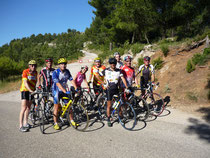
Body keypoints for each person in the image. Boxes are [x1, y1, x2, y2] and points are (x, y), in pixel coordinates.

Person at [100, 58, 129, 127]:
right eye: (112, 64)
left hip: (116, 89)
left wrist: (127, 87)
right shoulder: (106, 70)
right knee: (109, 105)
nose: (113, 65)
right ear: (110, 64)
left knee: (119, 104)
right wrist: (103, 83)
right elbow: (97, 75)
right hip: (109, 90)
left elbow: (123, 79)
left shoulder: (119, 71)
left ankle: (121, 117)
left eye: (114, 64)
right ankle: (109, 119)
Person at [52, 58, 78, 130]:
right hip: (56, 90)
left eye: (64, 64)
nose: (63, 65)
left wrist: (76, 87)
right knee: (56, 107)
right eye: (61, 64)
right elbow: (57, 83)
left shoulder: (67, 71)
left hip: (64, 90)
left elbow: (71, 80)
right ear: (59, 65)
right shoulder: (55, 72)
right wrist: (65, 91)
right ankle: (55, 123)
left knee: (69, 105)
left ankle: (72, 120)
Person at [19, 60, 38, 132]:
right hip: (25, 91)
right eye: (32, 65)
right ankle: (21, 126)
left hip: (31, 91)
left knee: (28, 108)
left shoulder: (35, 72)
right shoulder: (25, 71)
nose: (34, 67)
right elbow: (25, 82)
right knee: (23, 108)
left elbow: (35, 81)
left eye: (35, 65)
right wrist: (30, 90)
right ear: (29, 66)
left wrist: (36, 88)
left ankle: (26, 123)